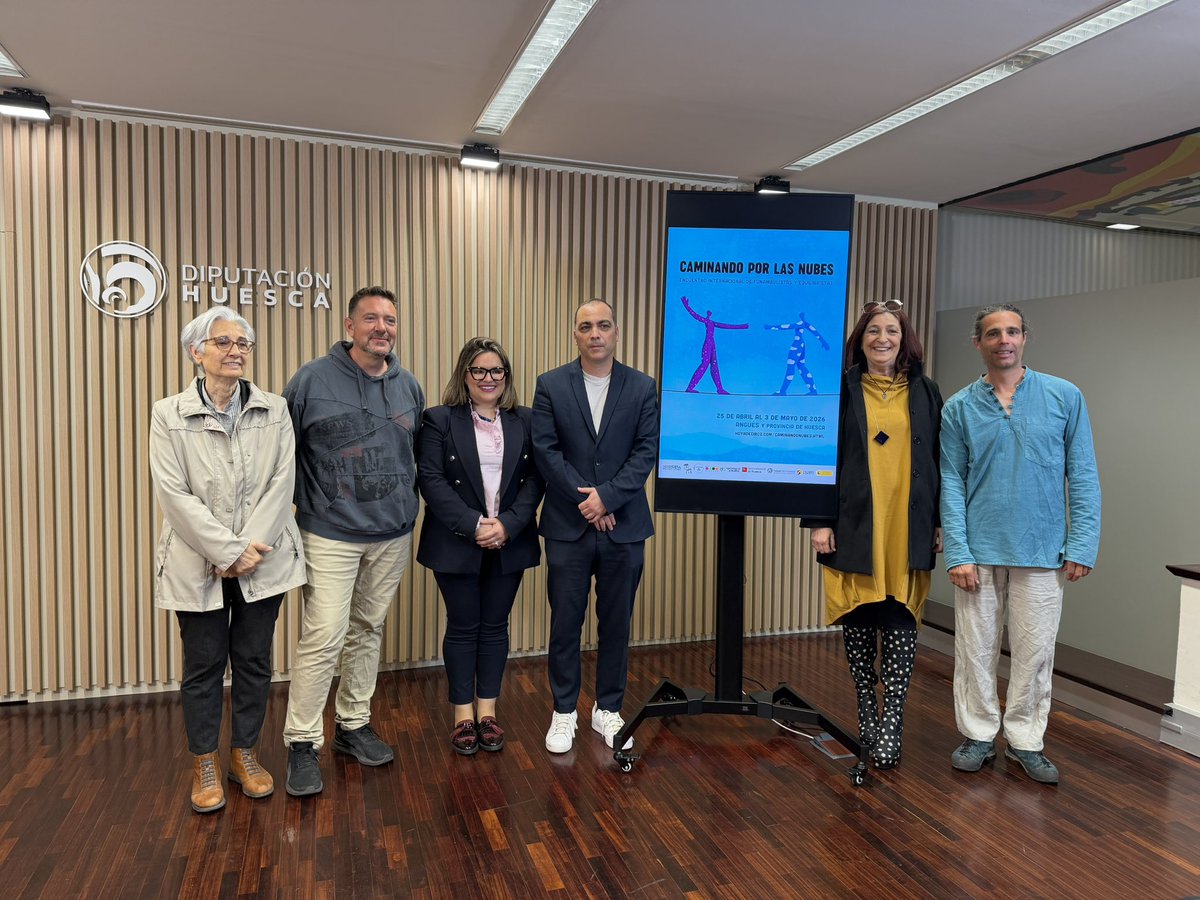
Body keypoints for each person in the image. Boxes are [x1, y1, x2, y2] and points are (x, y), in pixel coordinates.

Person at [150, 306, 307, 814]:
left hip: (263, 561)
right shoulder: (167, 413)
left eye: (243, 343)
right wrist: (227, 551)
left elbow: (283, 482)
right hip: (199, 563)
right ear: (197, 352)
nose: (236, 350)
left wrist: (248, 550)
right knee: (203, 666)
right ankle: (205, 762)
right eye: (223, 342)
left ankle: (245, 754)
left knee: (255, 661)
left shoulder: (275, 408)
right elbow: (174, 494)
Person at [941, 304, 1100, 785]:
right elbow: (950, 481)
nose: (1003, 340)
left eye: (1012, 331)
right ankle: (979, 734)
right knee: (975, 649)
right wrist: (958, 551)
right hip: (979, 550)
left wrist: (1083, 543)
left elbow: (1084, 474)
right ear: (979, 344)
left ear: (1025, 338)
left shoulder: (1064, 396)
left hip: (1043, 548)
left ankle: (1027, 740)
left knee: (1035, 652)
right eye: (993, 333)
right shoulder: (960, 407)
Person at [281, 286, 425, 796]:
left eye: (389, 318)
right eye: (370, 319)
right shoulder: (311, 380)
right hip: (330, 531)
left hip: (391, 533)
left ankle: (352, 725)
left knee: (367, 629)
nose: (381, 327)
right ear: (349, 326)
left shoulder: (408, 385)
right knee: (323, 638)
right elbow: (282, 454)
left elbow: (417, 455)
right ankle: (301, 742)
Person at [807, 299, 942, 769]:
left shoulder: (926, 392)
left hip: (908, 526)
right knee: (862, 616)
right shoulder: (838, 390)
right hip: (853, 524)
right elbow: (819, 460)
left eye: (892, 331)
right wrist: (818, 520)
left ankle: (892, 724)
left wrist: (941, 522)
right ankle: (867, 711)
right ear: (859, 341)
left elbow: (941, 463)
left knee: (901, 615)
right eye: (873, 332)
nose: (883, 339)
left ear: (904, 339)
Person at [532, 299, 658, 753]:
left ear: (616, 332)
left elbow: (645, 451)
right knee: (565, 623)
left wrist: (608, 497)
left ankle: (607, 710)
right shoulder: (550, 385)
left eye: (603, 325)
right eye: (586, 326)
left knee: (616, 624)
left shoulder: (643, 387)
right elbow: (546, 451)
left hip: (624, 528)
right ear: (575, 334)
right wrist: (589, 500)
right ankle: (563, 712)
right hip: (569, 526)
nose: (595, 334)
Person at [416, 337, 545, 755]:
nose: (488, 379)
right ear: (464, 375)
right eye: (479, 370)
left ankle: (487, 712)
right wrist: (474, 525)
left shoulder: (525, 420)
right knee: (463, 625)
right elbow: (431, 480)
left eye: (496, 371)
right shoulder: (439, 419)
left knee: (495, 627)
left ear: (506, 376)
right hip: (456, 541)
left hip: (510, 539)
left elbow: (534, 481)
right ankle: (462, 716)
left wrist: (507, 525)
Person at [682, 296, 748, 394]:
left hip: (712, 344)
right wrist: (687, 306)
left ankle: (720, 389)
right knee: (705, 365)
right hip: (708, 344)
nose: (709, 314)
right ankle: (690, 387)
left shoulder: (712, 322)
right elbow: (695, 316)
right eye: (708, 313)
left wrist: (742, 326)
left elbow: (727, 326)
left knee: (714, 365)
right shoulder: (707, 321)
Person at [764, 311, 830, 395]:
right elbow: (814, 331)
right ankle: (813, 390)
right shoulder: (804, 323)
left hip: (797, 345)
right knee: (801, 366)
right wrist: (823, 342)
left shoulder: (800, 323)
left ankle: (783, 391)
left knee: (791, 365)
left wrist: (771, 327)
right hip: (801, 345)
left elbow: (787, 326)